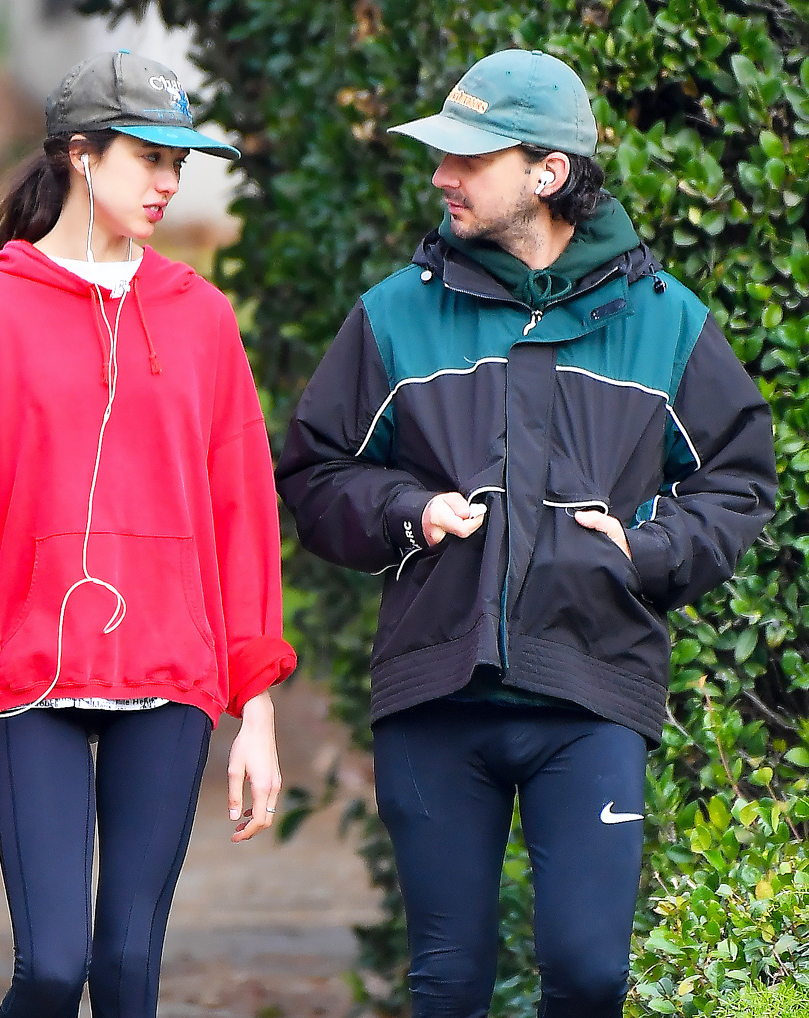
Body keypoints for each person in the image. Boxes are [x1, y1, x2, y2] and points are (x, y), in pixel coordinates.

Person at [276, 48, 775, 1018]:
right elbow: (313, 471)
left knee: (589, 975)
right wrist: (405, 512)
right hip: (436, 691)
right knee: (448, 984)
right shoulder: (394, 316)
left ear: (546, 173)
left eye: (468, 158)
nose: (440, 177)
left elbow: (737, 475)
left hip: (588, 690)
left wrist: (649, 549)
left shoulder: (664, 323)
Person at [0, 50, 296, 1018]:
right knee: (49, 970)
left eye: (181, 164)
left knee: (126, 971)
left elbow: (241, 514)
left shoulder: (201, 318)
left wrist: (258, 709)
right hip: (24, 675)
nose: (170, 183)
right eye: (148, 158)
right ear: (81, 154)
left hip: (170, 671)